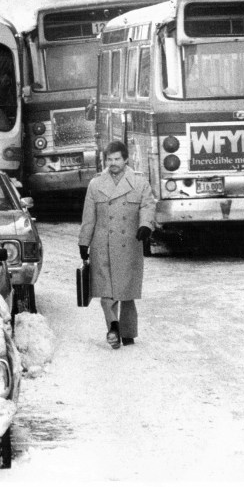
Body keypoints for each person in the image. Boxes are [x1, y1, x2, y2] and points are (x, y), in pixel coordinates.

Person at [78, 140, 156, 349]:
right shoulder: (96, 184)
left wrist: (146, 225)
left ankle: (128, 332)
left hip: (129, 243)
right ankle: (113, 326)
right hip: (102, 244)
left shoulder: (139, 182)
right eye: (109, 159)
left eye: (117, 159)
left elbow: (148, 205)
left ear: (126, 159)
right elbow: (89, 217)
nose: (112, 163)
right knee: (106, 291)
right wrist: (84, 242)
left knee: (126, 291)